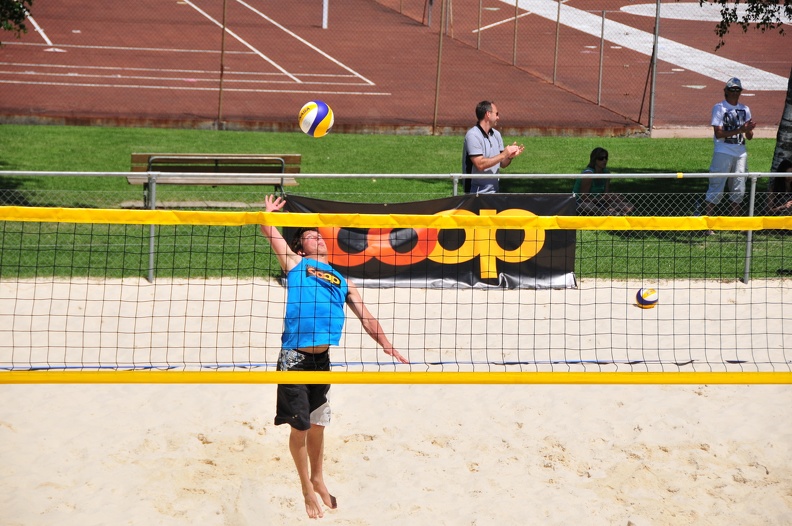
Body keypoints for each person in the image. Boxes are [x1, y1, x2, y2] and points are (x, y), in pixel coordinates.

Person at [260, 194, 409, 519]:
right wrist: (268, 214)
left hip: (321, 360)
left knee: (317, 425)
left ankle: (318, 477)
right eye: (309, 236)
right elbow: (267, 229)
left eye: (318, 234)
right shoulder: (297, 265)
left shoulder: (343, 280)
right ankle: (306, 490)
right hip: (294, 359)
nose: (316, 236)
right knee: (299, 428)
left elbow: (367, 316)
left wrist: (386, 343)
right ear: (301, 248)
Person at [703, 77, 756, 232]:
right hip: (723, 151)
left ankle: (735, 223)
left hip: (740, 152)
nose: (734, 92)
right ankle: (709, 225)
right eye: (732, 89)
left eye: (737, 89)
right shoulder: (719, 108)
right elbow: (719, 133)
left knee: (739, 186)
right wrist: (740, 130)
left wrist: (748, 130)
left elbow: (750, 136)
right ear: (725, 91)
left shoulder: (745, 109)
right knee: (716, 185)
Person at [462, 100, 524, 194]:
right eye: (497, 114)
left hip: (495, 193)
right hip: (475, 194)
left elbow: (502, 164)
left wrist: (509, 157)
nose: (498, 117)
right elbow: (480, 164)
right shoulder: (473, 135)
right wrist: (504, 155)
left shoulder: (496, 135)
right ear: (488, 114)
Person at [572, 147, 634, 215]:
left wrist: (613, 197)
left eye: (606, 158)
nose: (604, 160)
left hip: (600, 203)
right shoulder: (588, 174)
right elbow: (583, 198)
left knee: (629, 206)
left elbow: (606, 195)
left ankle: (610, 213)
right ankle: (609, 214)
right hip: (581, 203)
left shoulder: (606, 173)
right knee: (587, 206)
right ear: (594, 159)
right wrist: (602, 198)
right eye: (601, 158)